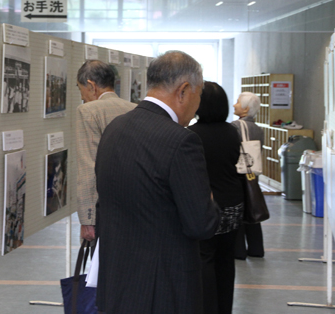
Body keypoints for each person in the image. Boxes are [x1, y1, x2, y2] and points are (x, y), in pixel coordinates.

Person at [95, 51, 221, 314]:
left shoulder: (115, 128)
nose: (197, 107)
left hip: (116, 281)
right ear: (184, 91)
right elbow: (202, 224)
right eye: (199, 95)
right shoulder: (181, 141)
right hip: (162, 288)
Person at [188, 82, 244, 314]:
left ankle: (207, 308)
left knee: (204, 258)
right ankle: (224, 309)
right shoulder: (232, 131)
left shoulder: (192, 134)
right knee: (226, 259)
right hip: (233, 203)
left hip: (206, 205)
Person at [75, 60, 136, 244]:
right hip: (134, 204)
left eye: (81, 91)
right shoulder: (134, 108)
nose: (83, 98)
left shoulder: (88, 111)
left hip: (106, 208)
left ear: (91, 86)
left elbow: (88, 167)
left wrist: (88, 220)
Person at [232, 91, 266, 259]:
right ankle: (256, 248)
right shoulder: (259, 129)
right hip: (252, 175)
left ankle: (238, 251)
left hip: (239, 174)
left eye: (238, 102)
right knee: (252, 209)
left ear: (245, 110)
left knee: (239, 211)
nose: (234, 105)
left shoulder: (236, 126)